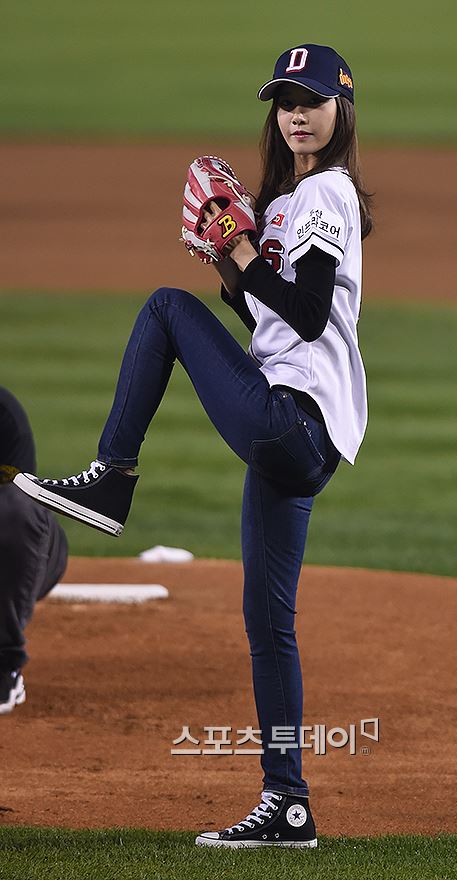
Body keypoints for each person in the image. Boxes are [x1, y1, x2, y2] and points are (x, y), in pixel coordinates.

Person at [14, 44, 372, 846]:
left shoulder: (326, 192)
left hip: (291, 420)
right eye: (285, 100)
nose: (296, 112)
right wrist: (229, 257)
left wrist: (237, 251)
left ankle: (112, 477)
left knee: (165, 310)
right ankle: (289, 802)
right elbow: (276, 325)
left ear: (341, 112)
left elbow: (310, 315)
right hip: (297, 434)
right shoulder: (288, 203)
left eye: (312, 99)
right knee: (268, 623)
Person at [0, 387, 68, 715]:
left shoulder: (4, 414)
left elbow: (17, 510)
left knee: (18, 505)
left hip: (30, 555)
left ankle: (4, 663)